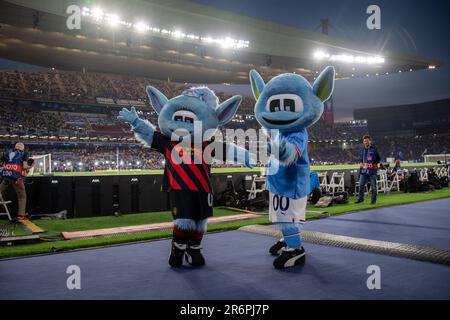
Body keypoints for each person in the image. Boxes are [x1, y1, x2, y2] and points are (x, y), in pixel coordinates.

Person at [0, 143, 34, 221]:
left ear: (15, 147)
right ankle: (21, 215)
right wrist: (31, 165)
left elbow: (1, 163)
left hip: (6, 177)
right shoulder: (24, 153)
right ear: (22, 148)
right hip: (16, 178)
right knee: (22, 196)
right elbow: (25, 167)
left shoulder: (8, 153)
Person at [355, 135, 381, 204]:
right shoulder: (362, 150)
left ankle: (373, 201)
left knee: (373, 187)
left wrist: (372, 164)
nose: (365, 142)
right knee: (361, 185)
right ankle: (361, 199)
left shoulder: (374, 149)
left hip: (372, 171)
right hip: (363, 171)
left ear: (370, 141)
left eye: (367, 141)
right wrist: (361, 163)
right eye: (364, 141)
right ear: (363, 142)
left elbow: (378, 159)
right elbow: (361, 159)